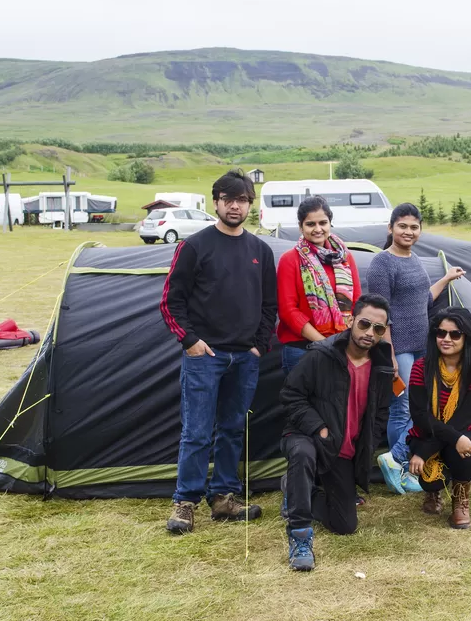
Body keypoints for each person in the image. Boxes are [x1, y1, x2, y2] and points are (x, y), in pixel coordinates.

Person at [160, 169, 278, 534]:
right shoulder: (195, 246)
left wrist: (259, 346)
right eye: (228, 199)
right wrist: (190, 342)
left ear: (249, 206)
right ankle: (185, 502)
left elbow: (269, 305)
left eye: (242, 200)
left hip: (245, 358)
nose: (235, 206)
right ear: (216, 202)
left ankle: (224, 498)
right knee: (197, 432)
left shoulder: (260, 250)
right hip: (204, 357)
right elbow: (170, 302)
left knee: (232, 429)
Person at [279, 294, 394, 571]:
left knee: (345, 525)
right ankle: (300, 535)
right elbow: (291, 395)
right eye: (365, 324)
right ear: (351, 320)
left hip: (343, 449)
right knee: (303, 454)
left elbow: (381, 414)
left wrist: (368, 442)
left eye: (378, 329)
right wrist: (319, 427)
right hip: (306, 436)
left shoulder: (383, 366)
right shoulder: (321, 354)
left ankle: (294, 489)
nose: (370, 333)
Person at [366, 203, 465, 495]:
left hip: (423, 347)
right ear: (391, 228)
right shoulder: (382, 263)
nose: (408, 232)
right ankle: (396, 464)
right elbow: (378, 316)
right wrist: (391, 355)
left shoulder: (414, 259)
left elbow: (423, 300)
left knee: (421, 408)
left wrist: (445, 279)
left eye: (414, 227)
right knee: (403, 409)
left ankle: (410, 466)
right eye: (403, 226)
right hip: (399, 349)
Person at [407, 308, 471, 529]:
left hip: (464, 428)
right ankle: (432, 492)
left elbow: (463, 419)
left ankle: (460, 501)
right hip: (426, 430)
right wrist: (429, 448)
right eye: (441, 333)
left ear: (467, 337)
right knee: (430, 476)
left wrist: (424, 453)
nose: (446, 339)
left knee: (463, 448)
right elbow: (419, 416)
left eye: (455, 334)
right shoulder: (420, 368)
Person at [276, 195, 363, 376]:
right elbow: (287, 310)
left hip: (341, 348)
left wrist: (341, 342)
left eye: (323, 223)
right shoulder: (290, 260)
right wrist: (324, 343)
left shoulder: (345, 258)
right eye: (310, 224)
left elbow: (357, 302)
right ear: (301, 227)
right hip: (302, 350)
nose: (318, 229)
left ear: (330, 224)